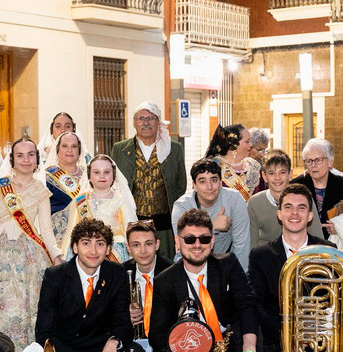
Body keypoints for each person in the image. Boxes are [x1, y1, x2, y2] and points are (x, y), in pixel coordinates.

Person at [148, 209, 262, 352]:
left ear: (212, 242)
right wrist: (184, 347)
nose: (197, 244)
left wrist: (249, 350)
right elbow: (156, 333)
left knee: (253, 334)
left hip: (226, 343)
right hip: (188, 349)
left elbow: (247, 303)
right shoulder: (164, 280)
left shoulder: (228, 263)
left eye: (204, 239)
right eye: (189, 239)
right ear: (178, 242)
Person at [0, 138, 61, 351]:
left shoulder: (42, 191)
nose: (26, 160)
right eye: (20, 155)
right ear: (13, 160)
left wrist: (56, 256)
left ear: (37, 159)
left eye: (31, 155)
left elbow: (46, 230)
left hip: (29, 255)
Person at [35, 218, 136, 352]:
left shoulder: (116, 273)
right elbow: (44, 333)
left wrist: (113, 343)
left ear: (108, 249)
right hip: (67, 351)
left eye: (100, 244)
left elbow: (123, 321)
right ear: (74, 247)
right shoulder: (55, 276)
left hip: (99, 347)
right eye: (86, 243)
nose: (93, 250)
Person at [246, 184, 334, 352]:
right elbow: (257, 304)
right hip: (279, 340)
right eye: (288, 207)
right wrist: (288, 333)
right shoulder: (260, 255)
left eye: (301, 208)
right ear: (279, 214)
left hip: (320, 338)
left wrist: (314, 330)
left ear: (310, 215)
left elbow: (335, 301)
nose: (295, 213)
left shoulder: (328, 250)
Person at [111, 102, 187, 259]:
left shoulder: (174, 149)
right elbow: (113, 184)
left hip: (164, 226)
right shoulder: (120, 149)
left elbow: (180, 186)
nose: (145, 122)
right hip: (131, 224)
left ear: (158, 122)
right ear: (134, 122)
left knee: (165, 266)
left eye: (151, 118)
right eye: (141, 118)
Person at [171, 158, 251, 270]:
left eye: (214, 180)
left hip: (225, 263)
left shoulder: (235, 199)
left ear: (221, 183)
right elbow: (185, 245)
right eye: (202, 181)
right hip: (191, 262)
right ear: (194, 185)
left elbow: (242, 245)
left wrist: (239, 276)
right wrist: (213, 226)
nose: (209, 187)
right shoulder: (182, 206)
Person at [248, 149, 325, 244]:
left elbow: (318, 238)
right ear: (264, 176)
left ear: (290, 174)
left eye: (282, 172)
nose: (277, 178)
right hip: (266, 252)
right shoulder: (254, 203)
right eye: (271, 173)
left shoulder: (304, 199)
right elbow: (251, 243)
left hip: (299, 251)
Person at [290, 138, 343, 238]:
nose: (313, 165)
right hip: (303, 241)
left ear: (330, 162)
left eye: (318, 160)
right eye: (309, 161)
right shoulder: (296, 185)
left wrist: (340, 227)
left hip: (332, 242)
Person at [123, 220, 173, 352]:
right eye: (136, 245)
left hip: (166, 341)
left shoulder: (172, 271)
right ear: (128, 248)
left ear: (157, 244)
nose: (143, 251)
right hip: (132, 342)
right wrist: (125, 314)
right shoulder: (121, 273)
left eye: (148, 244)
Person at [83, 154, 138, 263]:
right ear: (89, 176)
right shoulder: (80, 201)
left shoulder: (122, 201)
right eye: (96, 172)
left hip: (118, 255)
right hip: (88, 254)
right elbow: (72, 234)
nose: (102, 176)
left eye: (107, 172)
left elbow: (131, 233)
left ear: (113, 176)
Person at [44, 131, 88, 255]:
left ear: (79, 150)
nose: (69, 150)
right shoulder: (47, 176)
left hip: (88, 237)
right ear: (57, 150)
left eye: (74, 146)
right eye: (65, 146)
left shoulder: (89, 174)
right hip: (59, 239)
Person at [207, 124, 261, 200]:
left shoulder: (254, 166)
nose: (251, 144)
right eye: (247, 141)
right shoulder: (211, 167)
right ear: (233, 145)